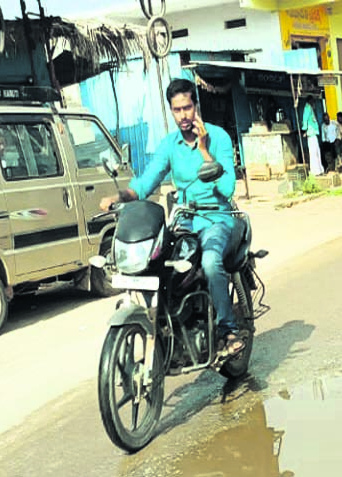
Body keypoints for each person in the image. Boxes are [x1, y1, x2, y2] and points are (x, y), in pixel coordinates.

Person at [99, 78, 244, 358]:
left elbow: (227, 188)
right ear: (171, 111)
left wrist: (203, 150)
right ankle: (172, 326)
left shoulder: (219, 138)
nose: (183, 116)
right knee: (158, 264)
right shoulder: (169, 145)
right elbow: (145, 183)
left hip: (215, 218)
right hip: (184, 221)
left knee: (211, 262)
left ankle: (228, 331)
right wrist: (118, 198)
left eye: (187, 108)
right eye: (177, 110)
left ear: (196, 106)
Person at [301, 100, 323, 177]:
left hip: (313, 133)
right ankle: (315, 171)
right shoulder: (307, 108)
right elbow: (305, 120)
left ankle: (319, 169)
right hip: (310, 133)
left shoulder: (310, 109)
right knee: (314, 153)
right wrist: (304, 129)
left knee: (316, 152)